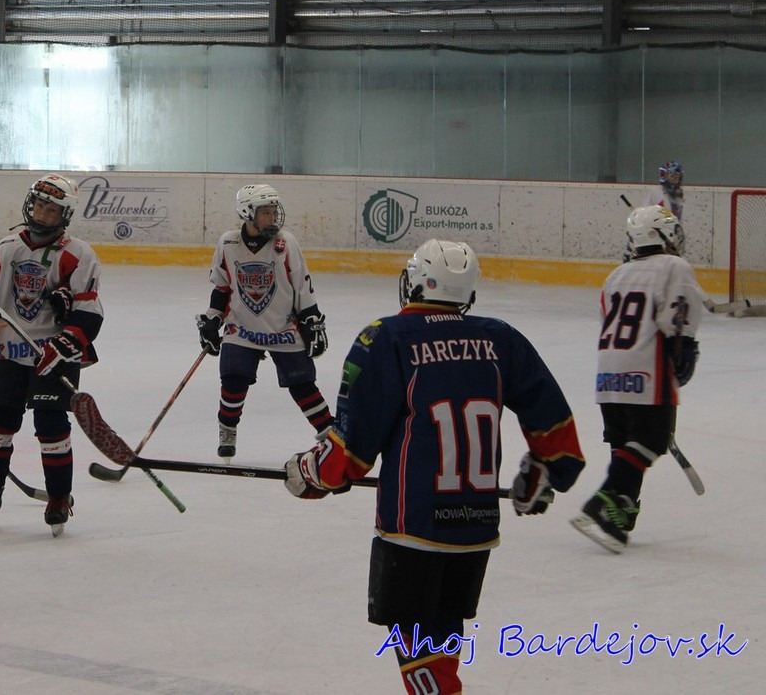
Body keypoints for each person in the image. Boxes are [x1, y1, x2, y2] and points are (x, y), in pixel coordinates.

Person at [283, 239, 585, 695]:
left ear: (415, 283)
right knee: (442, 632)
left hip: (414, 528)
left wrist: (311, 472)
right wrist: (546, 472)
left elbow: (352, 453)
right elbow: (552, 418)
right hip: (475, 529)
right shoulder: (500, 338)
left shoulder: (384, 339)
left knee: (416, 640)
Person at [0, 173, 103, 535]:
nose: (42, 214)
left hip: (54, 355)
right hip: (10, 352)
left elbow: (89, 312)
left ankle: (59, 498)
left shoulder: (78, 254)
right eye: (38, 206)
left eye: (51, 211)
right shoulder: (6, 249)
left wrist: (65, 340)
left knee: (51, 425)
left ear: (64, 216)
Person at [572, 205, 701, 554]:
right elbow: (676, 317)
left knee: (626, 444)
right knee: (651, 440)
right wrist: (684, 349)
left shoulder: (616, 274)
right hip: (645, 368)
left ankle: (621, 508)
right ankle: (602, 501)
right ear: (661, 234)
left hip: (607, 374)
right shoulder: (674, 266)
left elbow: (607, 317)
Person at [196, 184, 331, 461]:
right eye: (265, 212)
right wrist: (212, 319)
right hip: (242, 328)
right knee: (233, 379)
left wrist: (312, 321)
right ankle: (227, 430)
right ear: (248, 213)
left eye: (273, 211)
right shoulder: (228, 243)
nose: (272, 218)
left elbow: (302, 287)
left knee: (302, 383)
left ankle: (331, 434)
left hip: (283, 328)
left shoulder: (286, 243)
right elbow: (222, 288)